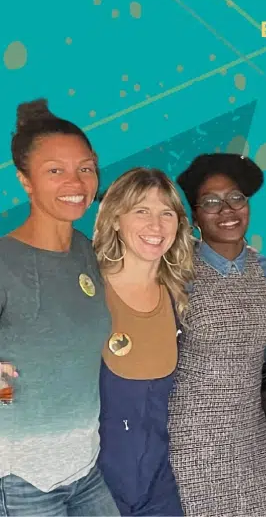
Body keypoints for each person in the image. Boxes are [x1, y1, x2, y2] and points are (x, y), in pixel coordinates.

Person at [0, 98, 119, 516]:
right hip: (22, 481)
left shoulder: (86, 252)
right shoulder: (4, 261)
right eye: (55, 171)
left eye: (85, 168)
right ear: (25, 180)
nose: (76, 182)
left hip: (84, 469)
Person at [168, 153, 266, 516]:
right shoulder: (176, 272)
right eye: (211, 202)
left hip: (251, 433)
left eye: (235, 197)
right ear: (195, 214)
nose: (227, 210)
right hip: (192, 436)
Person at [92, 168, 195, 516]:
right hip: (91, 491)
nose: (157, 225)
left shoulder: (179, 299)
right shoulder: (82, 292)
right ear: (115, 219)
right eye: (142, 211)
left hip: (159, 491)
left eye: (167, 213)